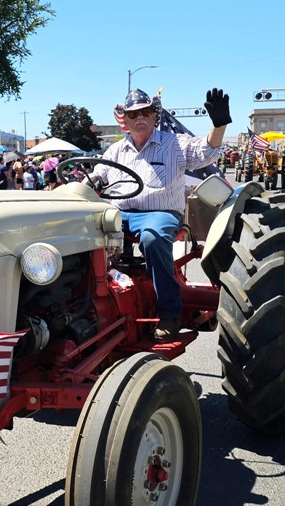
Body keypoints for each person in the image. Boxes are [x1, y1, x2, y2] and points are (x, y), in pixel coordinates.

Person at [93, 87, 230, 340]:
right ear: (125, 119)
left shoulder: (173, 144)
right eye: (134, 114)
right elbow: (96, 177)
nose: (140, 118)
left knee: (152, 238)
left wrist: (218, 125)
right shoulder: (115, 152)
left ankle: (170, 313)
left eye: (145, 112)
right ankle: (93, 302)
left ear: (154, 114)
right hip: (119, 213)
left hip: (160, 212)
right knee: (81, 231)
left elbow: (207, 151)